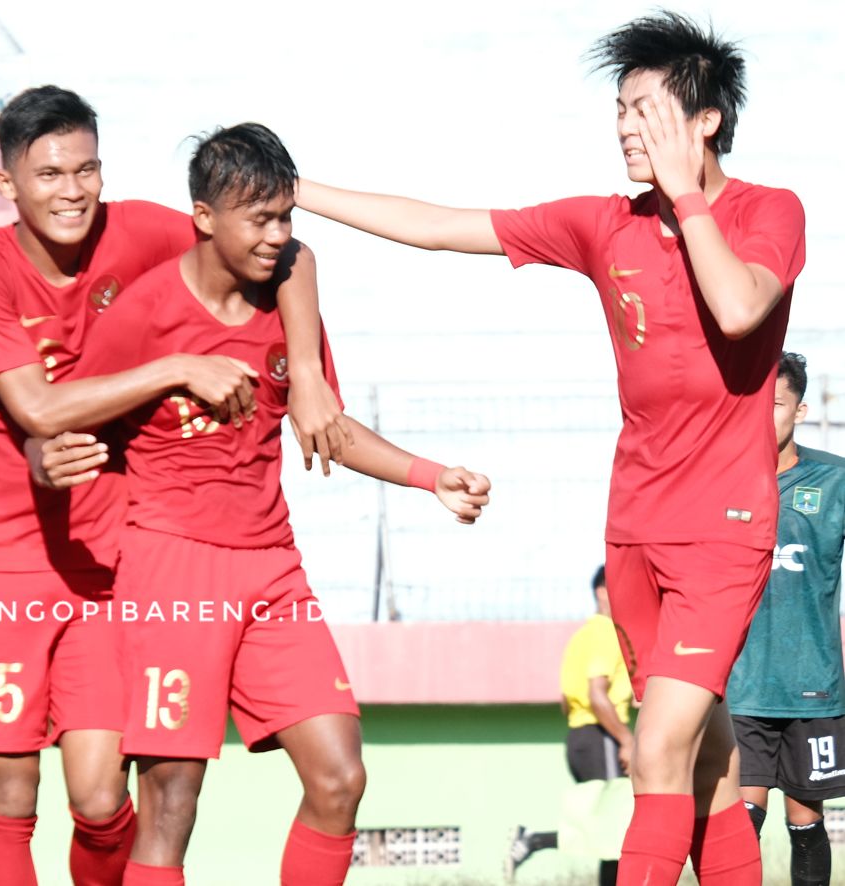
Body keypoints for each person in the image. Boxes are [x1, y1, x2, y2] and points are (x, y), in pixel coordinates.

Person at [295, 11, 805, 883]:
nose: (624, 127)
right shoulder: (604, 224)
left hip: (724, 531)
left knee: (656, 753)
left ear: (706, 119)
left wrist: (688, 198)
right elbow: (446, 225)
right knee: (711, 763)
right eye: (618, 109)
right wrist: (297, 189)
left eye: (644, 108)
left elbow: (738, 306)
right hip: (634, 530)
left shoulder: (770, 211)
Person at [52, 122, 490, 886]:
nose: (278, 235)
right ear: (203, 216)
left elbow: (326, 428)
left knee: (339, 777)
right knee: (171, 802)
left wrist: (430, 476)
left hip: (272, 571)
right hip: (170, 570)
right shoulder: (146, 311)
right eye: (258, 218)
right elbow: (68, 409)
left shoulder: (288, 302)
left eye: (285, 217)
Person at [0, 85, 345, 886]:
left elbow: (281, 248)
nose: (72, 190)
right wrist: (176, 366)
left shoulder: (142, 232)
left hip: (111, 547)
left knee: (97, 797)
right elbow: (40, 410)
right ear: (8, 184)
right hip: (5, 547)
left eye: (86, 169)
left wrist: (305, 368)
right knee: (9, 780)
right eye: (50, 173)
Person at [726, 352, 845, 886]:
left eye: (774, 404)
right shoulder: (716, 482)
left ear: (797, 410)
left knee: (805, 820)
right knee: (741, 818)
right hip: (739, 685)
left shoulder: (835, 480)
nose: (761, 415)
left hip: (812, 686)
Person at [507, 566, 633, 885]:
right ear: (601, 592)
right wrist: (626, 740)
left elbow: (566, 701)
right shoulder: (607, 632)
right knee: (614, 828)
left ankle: (532, 839)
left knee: (608, 827)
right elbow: (596, 693)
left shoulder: (580, 637)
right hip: (603, 735)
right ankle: (532, 840)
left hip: (580, 737)